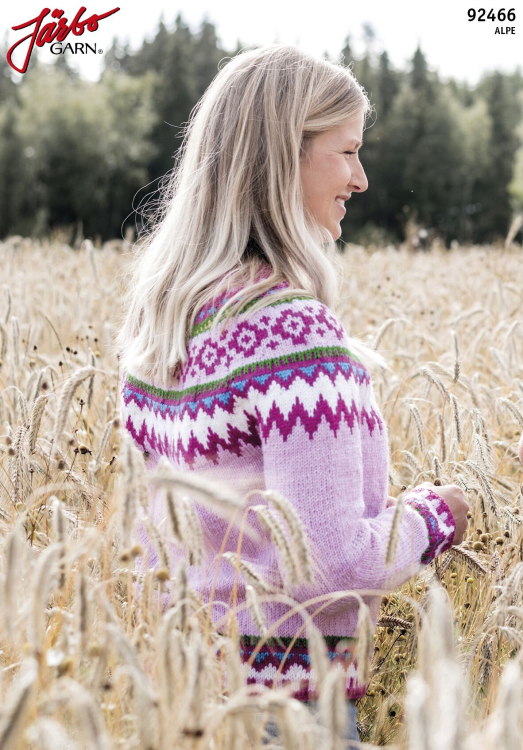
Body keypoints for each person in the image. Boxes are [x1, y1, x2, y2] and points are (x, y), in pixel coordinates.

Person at [115, 44, 469, 747]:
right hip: (290, 705)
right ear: (283, 156)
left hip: (182, 691)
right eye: (345, 152)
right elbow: (328, 559)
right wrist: (435, 516)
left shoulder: (162, 329)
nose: (361, 179)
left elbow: (143, 542)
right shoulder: (291, 338)